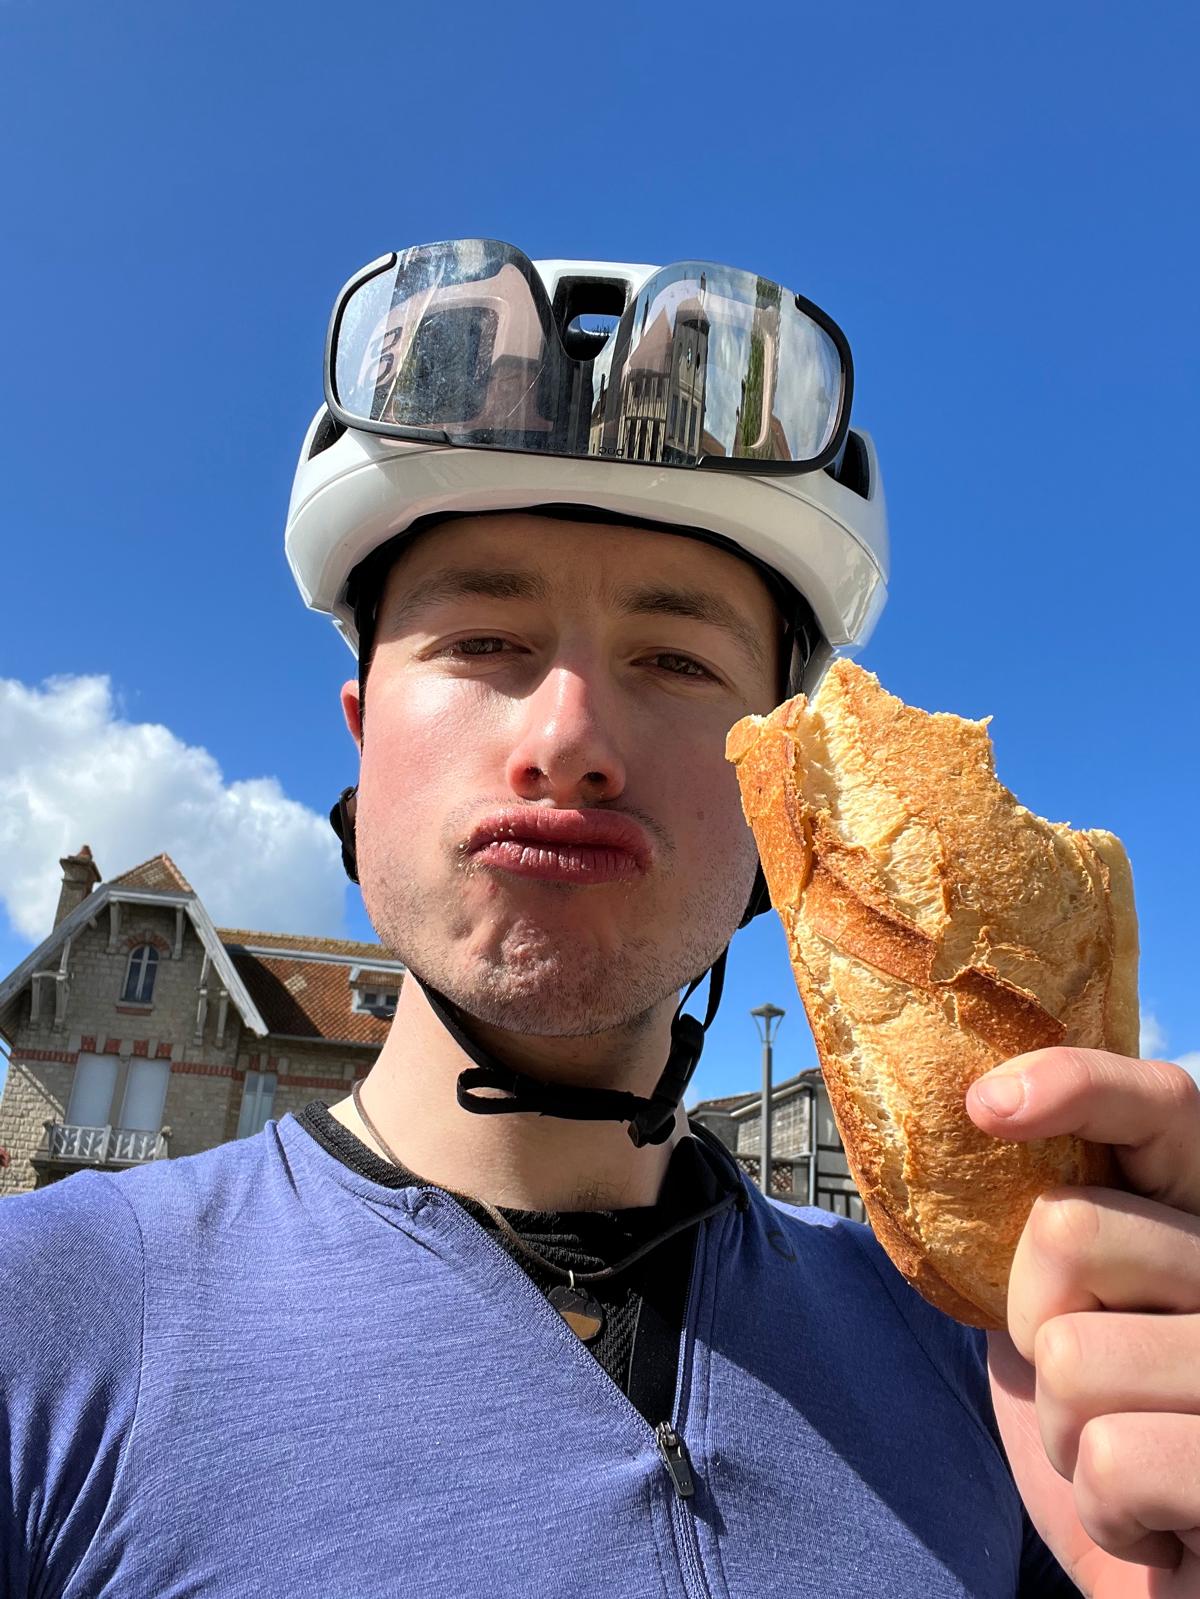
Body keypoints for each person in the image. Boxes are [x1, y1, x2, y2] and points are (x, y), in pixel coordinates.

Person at [2, 241, 1197, 1598]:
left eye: (677, 658)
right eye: (482, 642)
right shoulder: (48, 1320)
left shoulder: (991, 1369)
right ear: (361, 737)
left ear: (784, 802)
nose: (568, 740)